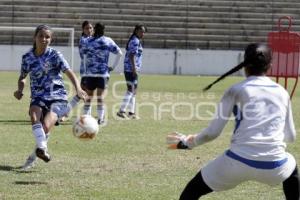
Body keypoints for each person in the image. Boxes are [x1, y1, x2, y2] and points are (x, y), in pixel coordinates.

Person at [166, 43, 299, 200]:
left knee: (191, 193)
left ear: (244, 66)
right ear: (270, 66)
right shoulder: (282, 92)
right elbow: (291, 137)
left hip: (236, 163)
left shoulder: (235, 90)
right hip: (275, 167)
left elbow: (212, 133)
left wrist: (187, 142)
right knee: (292, 169)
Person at [14, 25, 87, 170]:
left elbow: (69, 72)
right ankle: (42, 149)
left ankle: (34, 155)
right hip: (38, 96)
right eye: (41, 36)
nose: (44, 39)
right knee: (34, 115)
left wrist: (78, 88)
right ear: (35, 37)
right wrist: (20, 89)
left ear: (51, 39)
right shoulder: (27, 58)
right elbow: (22, 77)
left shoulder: (55, 55)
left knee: (45, 127)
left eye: (47, 37)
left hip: (57, 96)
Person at [80, 22, 122, 124]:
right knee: (100, 97)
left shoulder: (88, 41)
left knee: (89, 97)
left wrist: (85, 72)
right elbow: (119, 53)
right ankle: (101, 119)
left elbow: (84, 57)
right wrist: (112, 67)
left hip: (90, 74)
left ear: (94, 29)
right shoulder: (107, 40)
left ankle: (85, 119)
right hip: (103, 74)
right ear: (103, 30)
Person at [116, 24, 146, 119]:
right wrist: (133, 68)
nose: (143, 34)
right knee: (130, 90)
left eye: (144, 32)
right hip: (130, 69)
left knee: (133, 91)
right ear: (136, 31)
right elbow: (131, 55)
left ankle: (131, 113)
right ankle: (121, 111)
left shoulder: (135, 40)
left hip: (132, 68)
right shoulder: (135, 41)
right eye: (141, 31)